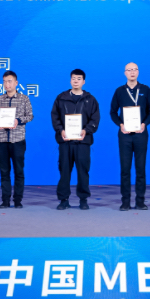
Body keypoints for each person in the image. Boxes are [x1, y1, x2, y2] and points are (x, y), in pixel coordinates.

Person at [51, 69, 100, 210]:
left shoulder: (90, 99)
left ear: (84, 81)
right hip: (65, 141)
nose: (76, 81)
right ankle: (63, 200)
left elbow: (95, 119)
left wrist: (87, 130)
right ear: (70, 80)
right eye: (73, 78)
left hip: (83, 141)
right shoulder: (61, 98)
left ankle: (83, 199)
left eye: (79, 78)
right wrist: (61, 130)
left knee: (83, 171)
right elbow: (55, 117)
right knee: (64, 171)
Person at [110, 62, 150, 211]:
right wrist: (120, 124)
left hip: (141, 134)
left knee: (140, 169)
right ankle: (125, 201)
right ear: (125, 73)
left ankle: (140, 201)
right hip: (125, 135)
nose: (132, 72)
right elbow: (112, 112)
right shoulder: (119, 91)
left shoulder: (145, 90)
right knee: (125, 169)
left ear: (138, 72)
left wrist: (144, 124)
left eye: (134, 70)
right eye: (129, 70)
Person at [0, 70, 34, 209]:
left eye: (9, 81)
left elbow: (30, 116)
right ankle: (5, 200)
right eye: (4, 81)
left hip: (18, 140)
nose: (6, 84)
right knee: (4, 172)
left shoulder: (24, 98)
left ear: (16, 83)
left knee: (19, 171)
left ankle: (18, 200)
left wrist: (18, 120)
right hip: (2, 140)